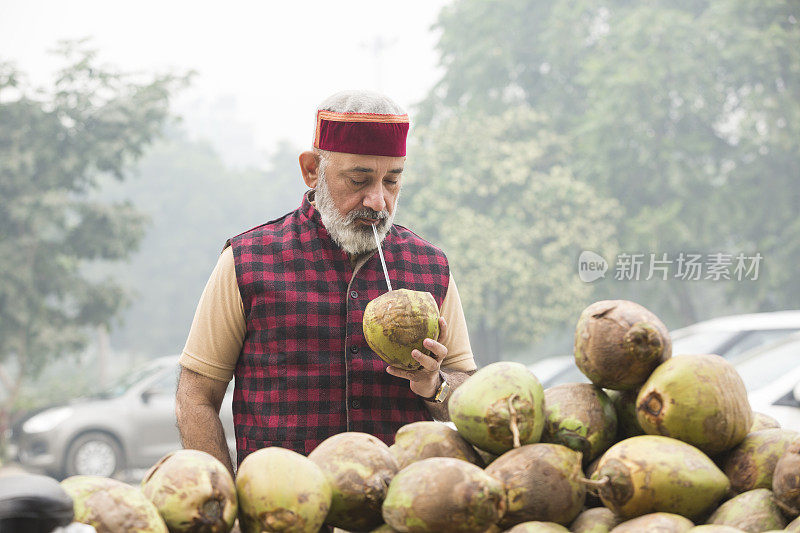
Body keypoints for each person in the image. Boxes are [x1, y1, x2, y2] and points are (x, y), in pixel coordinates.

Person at [175, 90, 477, 475]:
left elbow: (469, 394)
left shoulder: (430, 267)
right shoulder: (247, 261)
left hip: (396, 512)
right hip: (282, 511)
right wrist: (223, 502)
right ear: (312, 170)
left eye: (391, 181)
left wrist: (434, 383)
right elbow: (195, 395)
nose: (377, 201)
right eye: (358, 180)